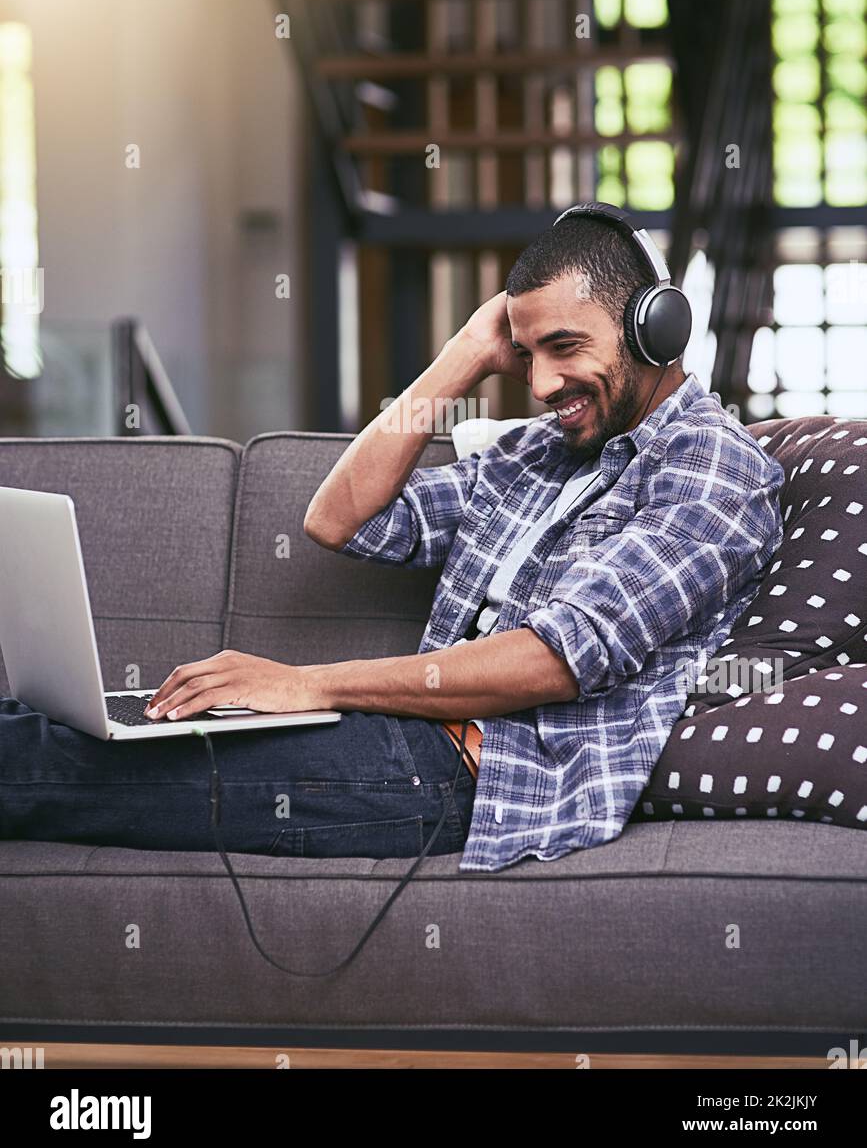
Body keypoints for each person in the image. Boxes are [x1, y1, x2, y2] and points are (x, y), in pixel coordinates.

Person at [0, 207, 789, 871]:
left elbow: (554, 659)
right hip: (394, 733)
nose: (543, 384)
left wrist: (309, 684)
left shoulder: (714, 470)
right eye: (527, 353)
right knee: (37, 727)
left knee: (42, 764)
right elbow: (341, 519)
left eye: (567, 347)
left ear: (654, 328)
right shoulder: (536, 453)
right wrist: (463, 357)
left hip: (463, 774)